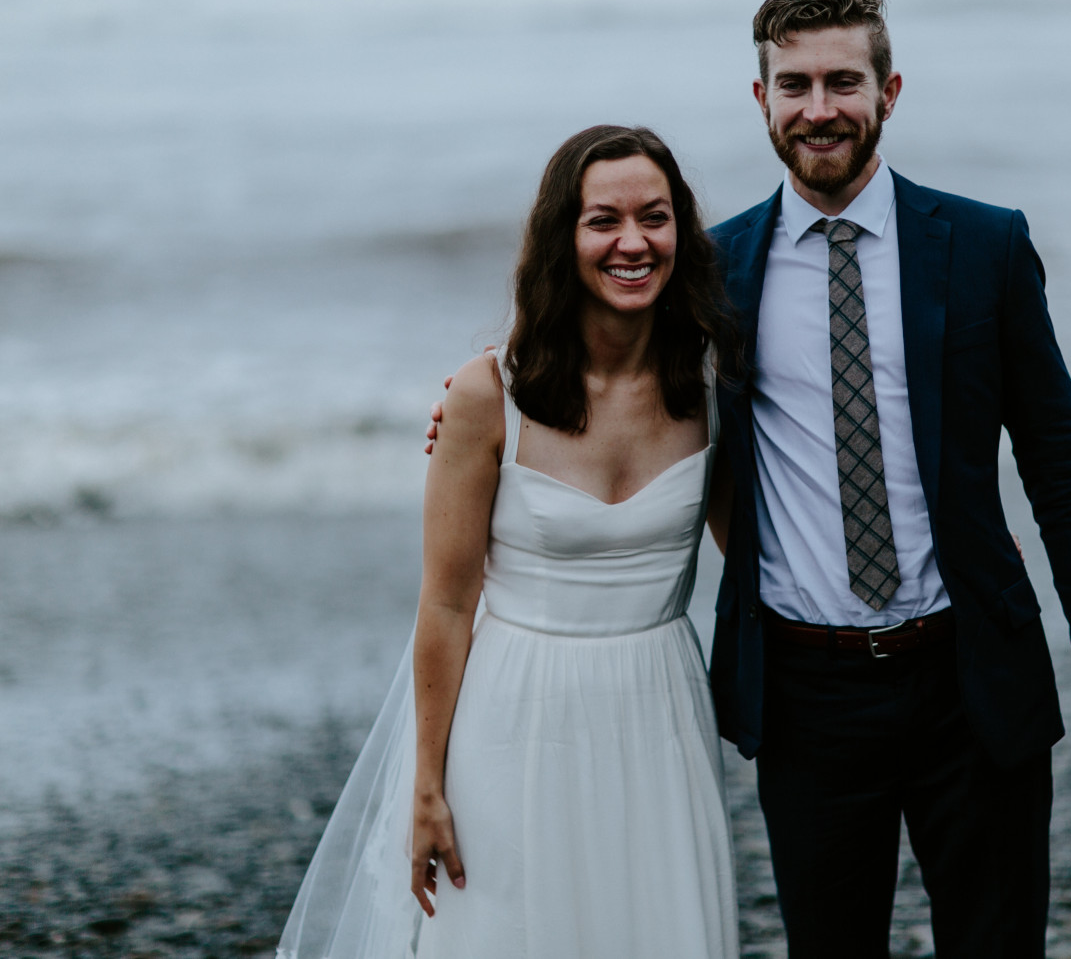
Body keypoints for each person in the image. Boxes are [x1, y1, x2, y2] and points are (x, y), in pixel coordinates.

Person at [701, 0, 1071, 958]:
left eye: (841, 82)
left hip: (966, 674)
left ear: (889, 91)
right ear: (761, 98)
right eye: (794, 85)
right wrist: (487, 398)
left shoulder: (983, 244)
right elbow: (613, 384)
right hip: (804, 690)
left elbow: (1060, 455)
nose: (818, 108)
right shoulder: (715, 268)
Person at [278, 125, 740, 959]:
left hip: (660, 716)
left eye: (655, 217)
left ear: (683, 233)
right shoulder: (489, 395)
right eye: (604, 220)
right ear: (563, 238)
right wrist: (427, 783)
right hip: (516, 719)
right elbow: (448, 603)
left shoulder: (712, 384)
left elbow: (758, 556)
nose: (632, 242)